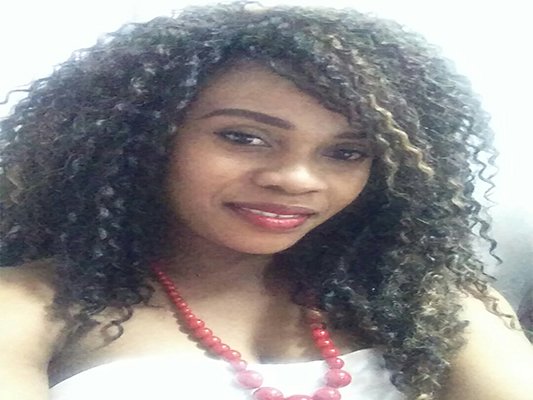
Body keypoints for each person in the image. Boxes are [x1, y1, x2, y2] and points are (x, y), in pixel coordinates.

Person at [0, 1, 531, 399]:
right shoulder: (28, 307)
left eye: (346, 152)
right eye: (243, 137)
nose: (296, 180)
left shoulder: (430, 302)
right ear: (142, 138)